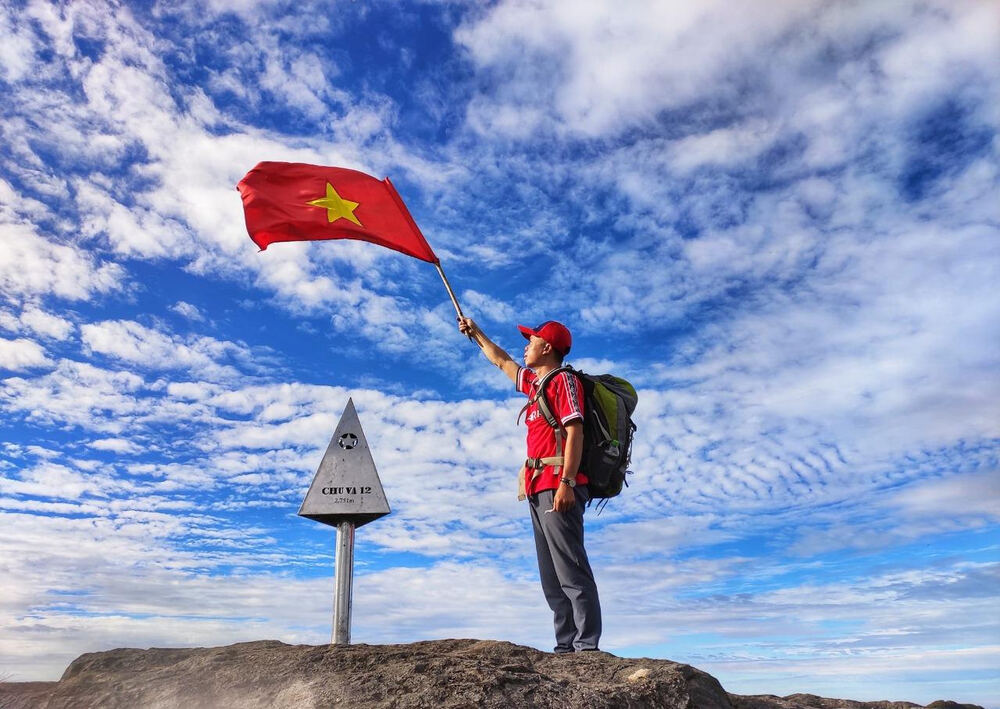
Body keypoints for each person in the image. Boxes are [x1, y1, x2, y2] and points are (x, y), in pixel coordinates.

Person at [458, 316, 602, 653]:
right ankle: (565, 647)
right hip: (537, 487)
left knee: (571, 568)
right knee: (551, 576)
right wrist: (476, 332)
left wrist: (567, 482)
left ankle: (587, 648)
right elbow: (502, 360)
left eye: (532, 340)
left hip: (558, 485)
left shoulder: (563, 381)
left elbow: (574, 431)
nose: (526, 346)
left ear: (547, 347)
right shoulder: (535, 385)